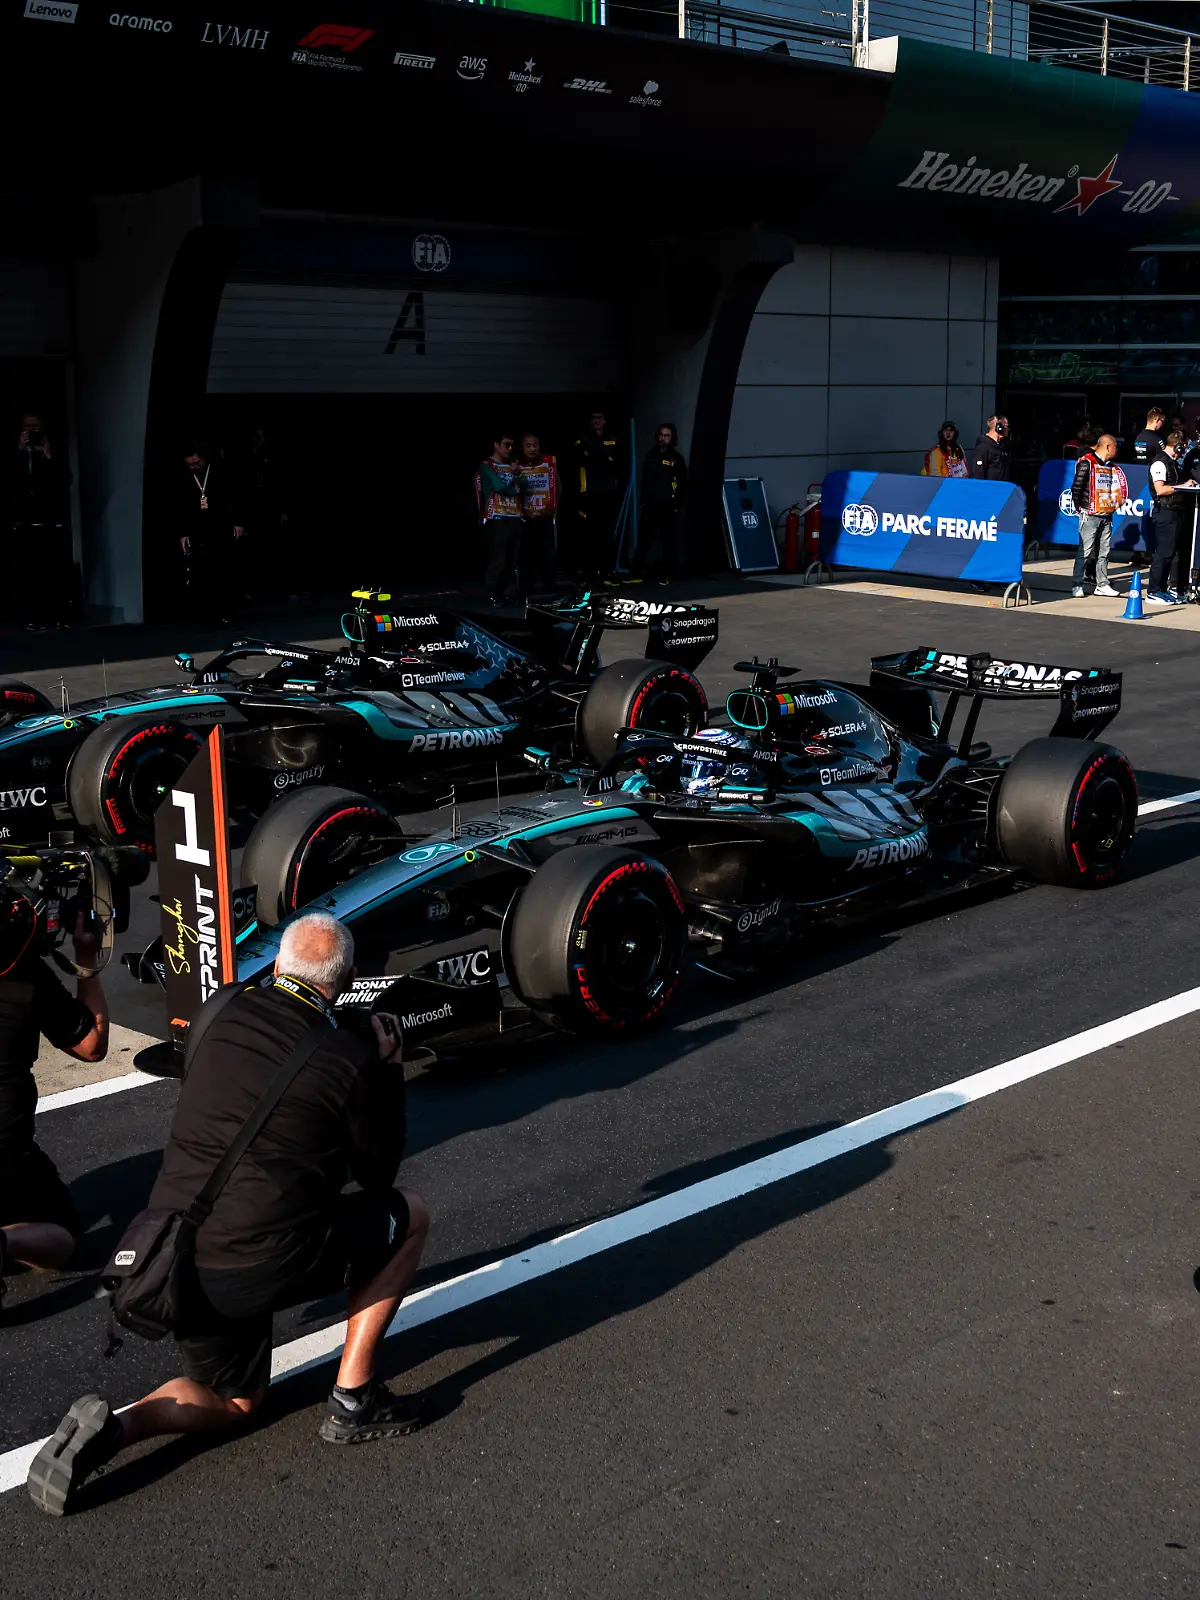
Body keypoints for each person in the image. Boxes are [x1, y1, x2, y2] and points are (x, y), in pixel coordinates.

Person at [29, 912, 430, 1518]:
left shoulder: (219, 1010)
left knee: (237, 1402)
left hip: (172, 1254)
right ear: (346, 982)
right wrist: (388, 1069)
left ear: (276, 966)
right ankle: (354, 1400)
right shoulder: (347, 1060)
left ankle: (118, 1428)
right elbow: (378, 1175)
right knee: (410, 1216)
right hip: (257, 1263)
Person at [0, 915, 109, 1313]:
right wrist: (85, 958)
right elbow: (92, 1044)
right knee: (64, 1242)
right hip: (8, 1160)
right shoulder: (22, 976)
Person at [9, 413, 70, 630]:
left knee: (51, 572)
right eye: (28, 427)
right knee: (28, 573)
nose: (32, 431)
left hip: (48, 520)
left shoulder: (50, 452)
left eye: (35, 427)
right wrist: (19, 449)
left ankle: (55, 616)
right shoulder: (15, 452)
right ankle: (31, 617)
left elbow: (65, 481)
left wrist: (48, 456)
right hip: (24, 521)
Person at [178, 441, 245, 622]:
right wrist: (184, 531)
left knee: (224, 571)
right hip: (198, 530)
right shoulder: (185, 476)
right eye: (190, 464)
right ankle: (207, 616)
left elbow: (235, 496)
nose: (194, 467)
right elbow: (181, 505)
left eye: (196, 463)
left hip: (221, 526)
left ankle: (228, 614)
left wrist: (237, 522)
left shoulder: (220, 471)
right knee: (201, 574)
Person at [630, 423, 688, 586]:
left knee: (669, 542)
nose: (663, 438)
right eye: (661, 435)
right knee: (644, 540)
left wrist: (677, 504)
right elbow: (645, 480)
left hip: (668, 506)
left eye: (667, 435)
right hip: (650, 505)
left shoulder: (676, 459)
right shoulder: (651, 455)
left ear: (673, 438)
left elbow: (683, 483)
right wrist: (642, 501)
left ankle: (667, 573)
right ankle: (636, 572)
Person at [1069, 433, 1126, 599]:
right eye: (1115, 447)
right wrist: (1080, 508)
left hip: (1106, 514)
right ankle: (1077, 584)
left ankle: (1102, 584)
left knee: (1104, 551)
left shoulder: (1111, 466)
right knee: (1085, 551)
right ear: (1108, 446)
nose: (1117, 450)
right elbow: (1077, 487)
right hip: (1090, 513)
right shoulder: (1087, 462)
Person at [1146, 431, 1197, 606]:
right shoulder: (1160, 462)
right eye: (1182, 448)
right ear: (1178, 445)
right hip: (1166, 511)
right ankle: (1153, 591)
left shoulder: (1172, 462)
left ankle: (1161, 589)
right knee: (1164, 553)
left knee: (1172, 553)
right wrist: (1183, 486)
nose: (1183, 452)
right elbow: (1160, 490)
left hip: (1175, 511)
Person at [475, 433, 523, 607]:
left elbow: (522, 484)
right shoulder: (487, 466)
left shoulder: (512, 466)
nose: (510, 449)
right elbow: (498, 486)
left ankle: (508, 592)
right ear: (496, 445)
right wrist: (514, 487)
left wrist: (517, 475)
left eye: (512, 445)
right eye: (506, 444)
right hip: (496, 517)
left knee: (513, 558)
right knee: (498, 559)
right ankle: (494, 593)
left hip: (514, 516)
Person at [572, 410, 622, 578]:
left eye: (600, 417)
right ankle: (588, 570)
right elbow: (582, 460)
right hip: (589, 492)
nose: (596, 421)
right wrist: (603, 459)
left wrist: (596, 457)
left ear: (605, 420)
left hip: (609, 491)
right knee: (588, 531)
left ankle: (607, 569)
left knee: (607, 531)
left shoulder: (613, 438)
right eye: (593, 418)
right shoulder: (583, 438)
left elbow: (617, 462)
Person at [516, 432, 558, 594]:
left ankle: (549, 586)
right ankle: (527, 588)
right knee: (525, 554)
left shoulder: (549, 461)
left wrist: (553, 506)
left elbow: (557, 485)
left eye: (535, 445)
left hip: (544, 515)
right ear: (522, 447)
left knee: (547, 552)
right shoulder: (517, 465)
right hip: (524, 517)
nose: (532, 448)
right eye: (528, 445)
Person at [969, 416, 1011, 480]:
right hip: (991, 488)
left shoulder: (1001, 446)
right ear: (999, 427)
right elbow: (978, 474)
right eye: (1006, 426)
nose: (1008, 429)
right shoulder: (983, 447)